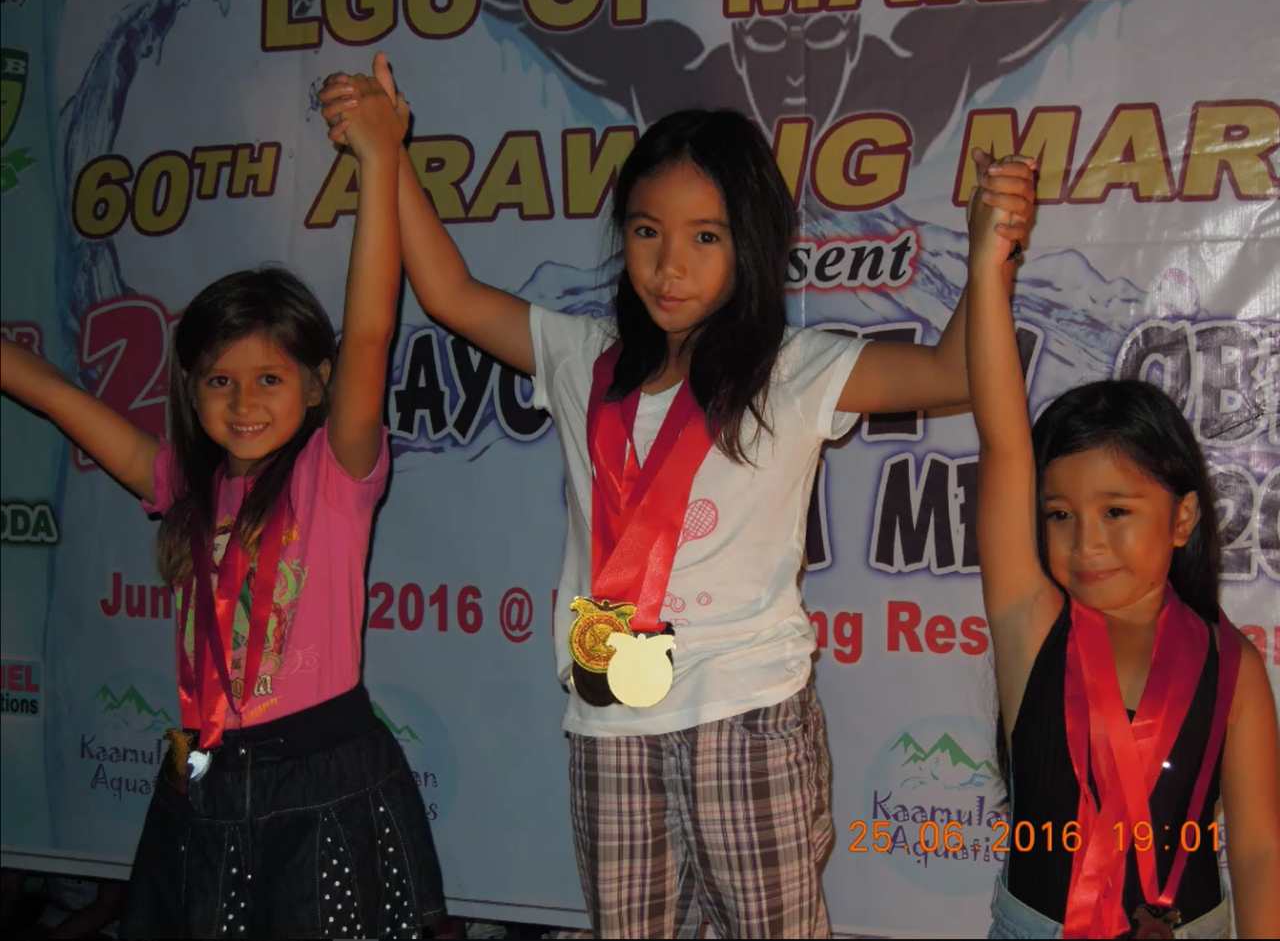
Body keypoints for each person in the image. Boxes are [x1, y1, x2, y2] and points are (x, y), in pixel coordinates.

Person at [320, 59, 1032, 938]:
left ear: (751, 245)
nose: (669, 265)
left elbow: (955, 372)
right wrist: (386, 152)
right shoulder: (584, 357)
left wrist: (990, 255)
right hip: (608, 720)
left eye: (706, 237)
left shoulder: (792, 369)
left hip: (747, 715)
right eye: (648, 231)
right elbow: (451, 296)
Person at [1, 76, 446, 938]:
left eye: (270, 378)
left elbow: (369, 332)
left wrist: (378, 157)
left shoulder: (332, 473)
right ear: (192, 387)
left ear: (316, 385)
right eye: (219, 381)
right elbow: (57, 395)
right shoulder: (181, 480)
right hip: (202, 777)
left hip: (321, 779)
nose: (243, 402)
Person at [964, 157, 1280, 938]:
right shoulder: (1033, 625)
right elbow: (1004, 441)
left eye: (1116, 511)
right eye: (1059, 514)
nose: (1086, 541)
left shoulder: (1232, 664)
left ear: (1182, 518)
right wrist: (988, 265)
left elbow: (1260, 847)